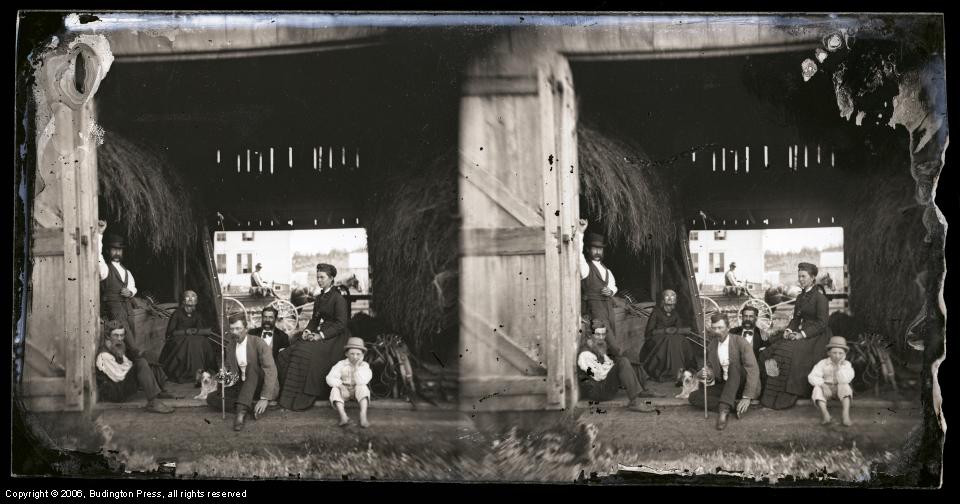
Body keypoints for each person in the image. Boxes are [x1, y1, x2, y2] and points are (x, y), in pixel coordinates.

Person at [275, 263, 351, 411]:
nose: (319, 280)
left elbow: (341, 324)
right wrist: (308, 330)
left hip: (336, 337)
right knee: (293, 350)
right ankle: (287, 395)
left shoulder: (338, 298)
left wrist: (320, 335)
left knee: (306, 352)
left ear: (331, 278)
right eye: (318, 277)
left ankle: (305, 395)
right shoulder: (320, 297)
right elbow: (315, 319)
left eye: (322, 277)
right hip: (322, 332)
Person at [759, 262, 833, 410]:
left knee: (788, 352)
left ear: (813, 277)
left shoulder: (820, 298)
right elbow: (796, 319)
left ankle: (787, 392)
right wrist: (788, 330)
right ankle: (770, 392)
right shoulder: (800, 297)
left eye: (804, 276)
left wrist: (802, 334)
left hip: (817, 336)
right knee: (772, 350)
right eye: (799, 276)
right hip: (801, 332)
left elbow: (822, 324)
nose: (800, 279)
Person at [206, 313, 279, 431]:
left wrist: (265, 398)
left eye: (238, 328)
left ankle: (240, 413)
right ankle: (249, 406)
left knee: (252, 367)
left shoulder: (258, 343)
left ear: (246, 328)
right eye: (232, 329)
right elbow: (229, 367)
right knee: (212, 398)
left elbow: (271, 370)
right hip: (243, 386)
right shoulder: (230, 346)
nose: (235, 332)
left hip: (260, 385)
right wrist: (224, 371)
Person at [689, 313, 761, 430]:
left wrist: (747, 397)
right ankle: (733, 405)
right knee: (694, 396)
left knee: (734, 366)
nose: (717, 331)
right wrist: (706, 373)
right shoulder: (712, 345)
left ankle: (723, 411)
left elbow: (753, 369)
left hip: (742, 386)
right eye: (714, 328)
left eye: (720, 328)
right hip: (726, 385)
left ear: (728, 327)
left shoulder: (740, 342)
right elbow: (710, 368)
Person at [578, 320, 664, 412]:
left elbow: (607, 364)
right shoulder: (585, 354)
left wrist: (617, 364)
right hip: (598, 391)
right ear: (589, 335)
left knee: (629, 354)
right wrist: (619, 367)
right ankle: (634, 402)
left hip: (604, 384)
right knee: (623, 362)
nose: (601, 338)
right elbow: (600, 376)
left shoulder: (597, 346)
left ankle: (643, 389)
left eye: (603, 334)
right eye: (598, 335)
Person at [95, 320, 175, 414]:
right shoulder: (104, 355)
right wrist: (139, 371)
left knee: (148, 356)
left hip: (121, 383)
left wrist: (140, 368)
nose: (120, 339)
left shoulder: (116, 347)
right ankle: (153, 402)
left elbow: (127, 364)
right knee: (141, 363)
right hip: (115, 392)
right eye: (116, 335)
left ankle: (159, 390)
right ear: (108, 336)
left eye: (122, 335)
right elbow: (119, 376)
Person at [638, 289, 702, 382]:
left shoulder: (675, 314)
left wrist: (677, 330)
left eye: (672, 296)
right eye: (667, 296)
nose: (670, 298)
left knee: (681, 339)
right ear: (663, 299)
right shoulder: (656, 313)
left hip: (670, 338)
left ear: (675, 299)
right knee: (669, 340)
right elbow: (649, 332)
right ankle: (670, 372)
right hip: (656, 339)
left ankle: (680, 370)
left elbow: (679, 329)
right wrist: (665, 330)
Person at [159, 290, 218, 383]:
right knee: (190, 341)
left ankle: (200, 371)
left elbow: (200, 331)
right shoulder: (177, 314)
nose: (190, 299)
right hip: (178, 339)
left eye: (193, 296)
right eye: (188, 296)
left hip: (192, 339)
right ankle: (189, 373)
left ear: (196, 301)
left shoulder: (197, 315)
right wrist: (186, 331)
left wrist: (196, 331)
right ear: (183, 300)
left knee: (202, 341)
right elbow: (170, 333)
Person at [576, 219, 618, 340]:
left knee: (611, 338)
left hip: (608, 310)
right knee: (609, 342)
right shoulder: (585, 268)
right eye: (594, 248)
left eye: (600, 249)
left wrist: (610, 291)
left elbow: (613, 285)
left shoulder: (607, 270)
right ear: (588, 250)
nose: (598, 252)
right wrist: (580, 233)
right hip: (594, 310)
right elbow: (578, 254)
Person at [97, 220, 138, 340]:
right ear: (108, 251)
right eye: (114, 249)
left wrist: (130, 292)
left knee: (132, 334)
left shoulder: (127, 271)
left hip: (128, 309)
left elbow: (133, 286)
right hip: (113, 309)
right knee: (126, 339)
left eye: (119, 250)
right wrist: (99, 234)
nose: (117, 253)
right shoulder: (105, 269)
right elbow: (97, 255)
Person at [326, 337, 373, 428]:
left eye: (358, 354)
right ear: (346, 354)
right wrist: (341, 386)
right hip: (344, 392)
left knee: (363, 387)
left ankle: (363, 415)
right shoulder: (341, 364)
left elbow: (362, 381)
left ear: (362, 355)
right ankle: (343, 416)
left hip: (357, 392)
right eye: (352, 354)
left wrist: (357, 367)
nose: (355, 357)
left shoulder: (364, 365)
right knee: (334, 389)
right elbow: (330, 378)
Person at [808, 336, 855, 426]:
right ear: (828, 353)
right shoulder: (823, 363)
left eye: (840, 353)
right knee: (817, 389)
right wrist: (824, 386)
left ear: (844, 354)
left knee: (845, 386)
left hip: (839, 390)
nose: (837, 356)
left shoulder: (846, 364)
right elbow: (812, 376)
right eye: (834, 353)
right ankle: (826, 415)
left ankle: (845, 415)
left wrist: (838, 367)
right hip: (826, 391)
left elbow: (845, 379)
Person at [729, 305, 769, 390]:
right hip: (736, 370)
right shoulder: (733, 332)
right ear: (742, 317)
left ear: (756, 318)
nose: (747, 319)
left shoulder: (762, 335)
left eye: (751, 316)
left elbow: (766, 357)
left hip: (754, 371)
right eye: (745, 316)